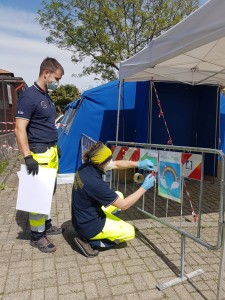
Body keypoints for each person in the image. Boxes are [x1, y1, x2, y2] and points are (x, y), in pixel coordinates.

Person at [15, 57, 64, 253]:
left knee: (48, 192)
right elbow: (19, 129)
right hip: (38, 153)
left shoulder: (46, 96)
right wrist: (28, 157)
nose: (57, 82)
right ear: (46, 73)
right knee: (37, 196)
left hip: (50, 151)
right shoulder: (29, 96)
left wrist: (55, 145)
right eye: (56, 78)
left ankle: (46, 224)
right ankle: (37, 236)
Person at [72, 141, 155, 257]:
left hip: (82, 217)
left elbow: (116, 164)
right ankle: (90, 241)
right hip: (89, 226)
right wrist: (144, 187)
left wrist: (139, 164)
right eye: (109, 160)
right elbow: (124, 205)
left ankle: (106, 229)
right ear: (101, 164)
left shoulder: (87, 166)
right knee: (130, 232)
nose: (112, 162)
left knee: (118, 194)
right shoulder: (95, 183)